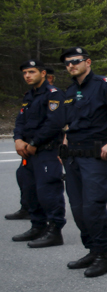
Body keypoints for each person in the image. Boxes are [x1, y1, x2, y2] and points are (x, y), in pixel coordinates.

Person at [60, 46, 107, 278]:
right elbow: (69, 122)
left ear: (88, 62)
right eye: (67, 63)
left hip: (94, 156)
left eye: (75, 61)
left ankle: (103, 256)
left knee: (93, 207)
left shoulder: (104, 85)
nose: (71, 65)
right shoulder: (69, 90)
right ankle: (92, 249)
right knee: (77, 208)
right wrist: (65, 141)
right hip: (73, 156)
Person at [10, 59, 66, 248]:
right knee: (30, 189)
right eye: (25, 73)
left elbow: (54, 122)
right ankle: (37, 226)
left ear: (43, 74)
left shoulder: (54, 94)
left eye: (31, 72)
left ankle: (54, 230)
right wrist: (18, 139)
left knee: (48, 191)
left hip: (46, 151)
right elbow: (20, 121)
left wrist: (34, 143)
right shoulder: (29, 96)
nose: (27, 76)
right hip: (29, 153)